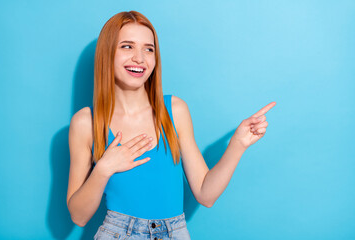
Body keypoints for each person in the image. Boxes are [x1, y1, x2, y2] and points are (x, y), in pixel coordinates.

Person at [66, 10, 276, 240]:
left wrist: (238, 144)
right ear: (107, 53)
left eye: (149, 49)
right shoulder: (86, 122)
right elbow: (78, 216)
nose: (140, 58)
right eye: (127, 46)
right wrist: (104, 169)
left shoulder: (175, 111)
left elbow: (206, 194)